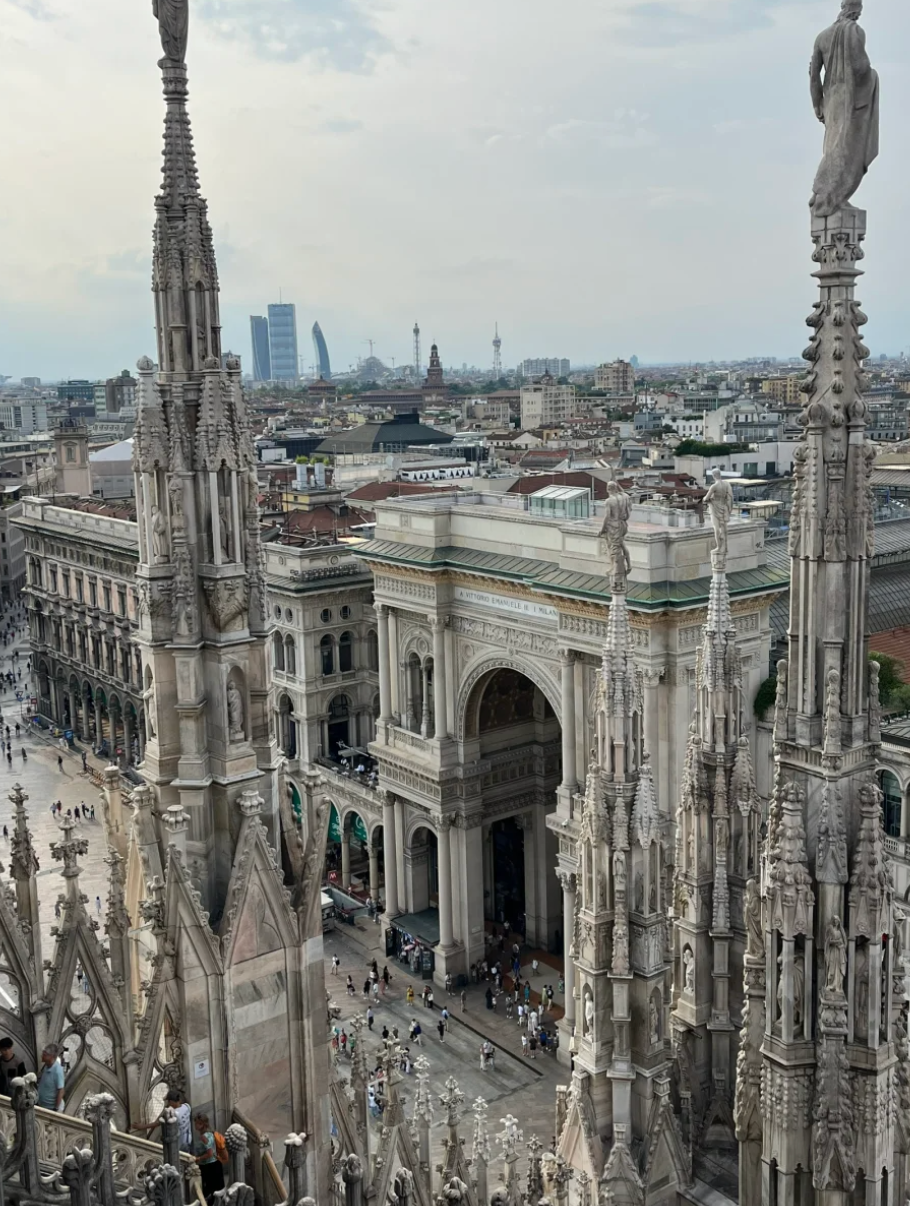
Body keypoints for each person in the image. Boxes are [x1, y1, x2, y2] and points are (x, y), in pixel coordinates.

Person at [193, 1113, 224, 1202]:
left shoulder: (204, 1137)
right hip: (215, 1164)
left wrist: (199, 1158)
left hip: (209, 1166)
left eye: (197, 1123)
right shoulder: (210, 1133)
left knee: (210, 1192)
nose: (195, 1125)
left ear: (202, 1124)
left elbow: (209, 1153)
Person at [37, 1044, 65, 1112]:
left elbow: (61, 1091)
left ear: (51, 1056)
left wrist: (56, 1108)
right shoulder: (46, 1066)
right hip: (41, 1104)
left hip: (49, 1108)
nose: (42, 1056)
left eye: (44, 1054)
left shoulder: (58, 1071)